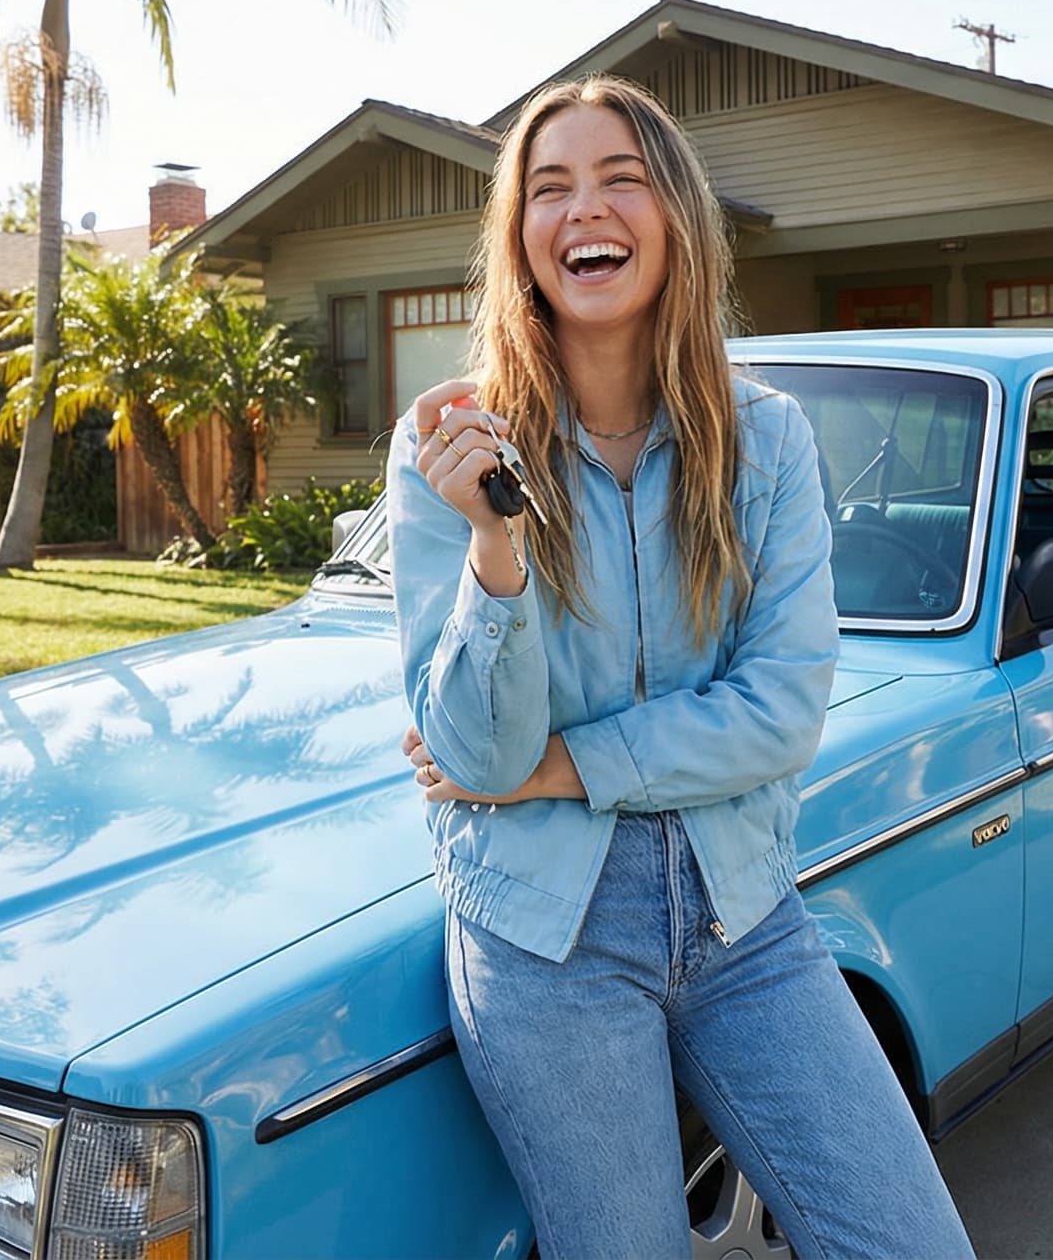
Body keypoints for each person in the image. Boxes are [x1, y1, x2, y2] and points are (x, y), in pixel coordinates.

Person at [388, 75, 975, 1258]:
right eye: (547, 188)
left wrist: (568, 768)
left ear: (677, 219)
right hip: (546, 938)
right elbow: (476, 755)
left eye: (620, 178)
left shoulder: (765, 441)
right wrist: (495, 544)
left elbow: (779, 712)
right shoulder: (449, 445)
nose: (582, 209)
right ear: (518, 238)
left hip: (743, 911)